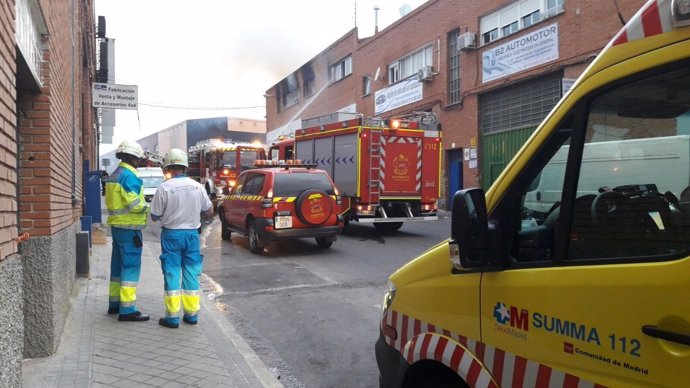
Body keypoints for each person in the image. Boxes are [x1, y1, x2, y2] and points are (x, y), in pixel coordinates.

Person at [150, 148, 213, 328]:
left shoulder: (164, 187)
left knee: (172, 272)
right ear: (185, 166)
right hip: (192, 235)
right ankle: (192, 315)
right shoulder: (197, 186)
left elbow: (154, 216)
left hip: (171, 235)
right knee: (192, 272)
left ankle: (172, 317)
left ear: (169, 166)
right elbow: (209, 211)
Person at [105, 140, 150, 322]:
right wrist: (148, 205)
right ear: (134, 158)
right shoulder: (130, 177)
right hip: (129, 228)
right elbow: (134, 205)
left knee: (117, 267)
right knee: (131, 267)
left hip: (117, 227)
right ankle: (128, 309)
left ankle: (114, 305)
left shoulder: (115, 174)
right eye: (138, 159)